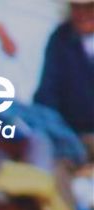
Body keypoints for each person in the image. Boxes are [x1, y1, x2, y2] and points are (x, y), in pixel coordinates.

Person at [36, 0, 94, 138]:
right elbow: (47, 92)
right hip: (73, 135)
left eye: (89, 8)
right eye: (77, 8)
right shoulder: (61, 38)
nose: (82, 14)